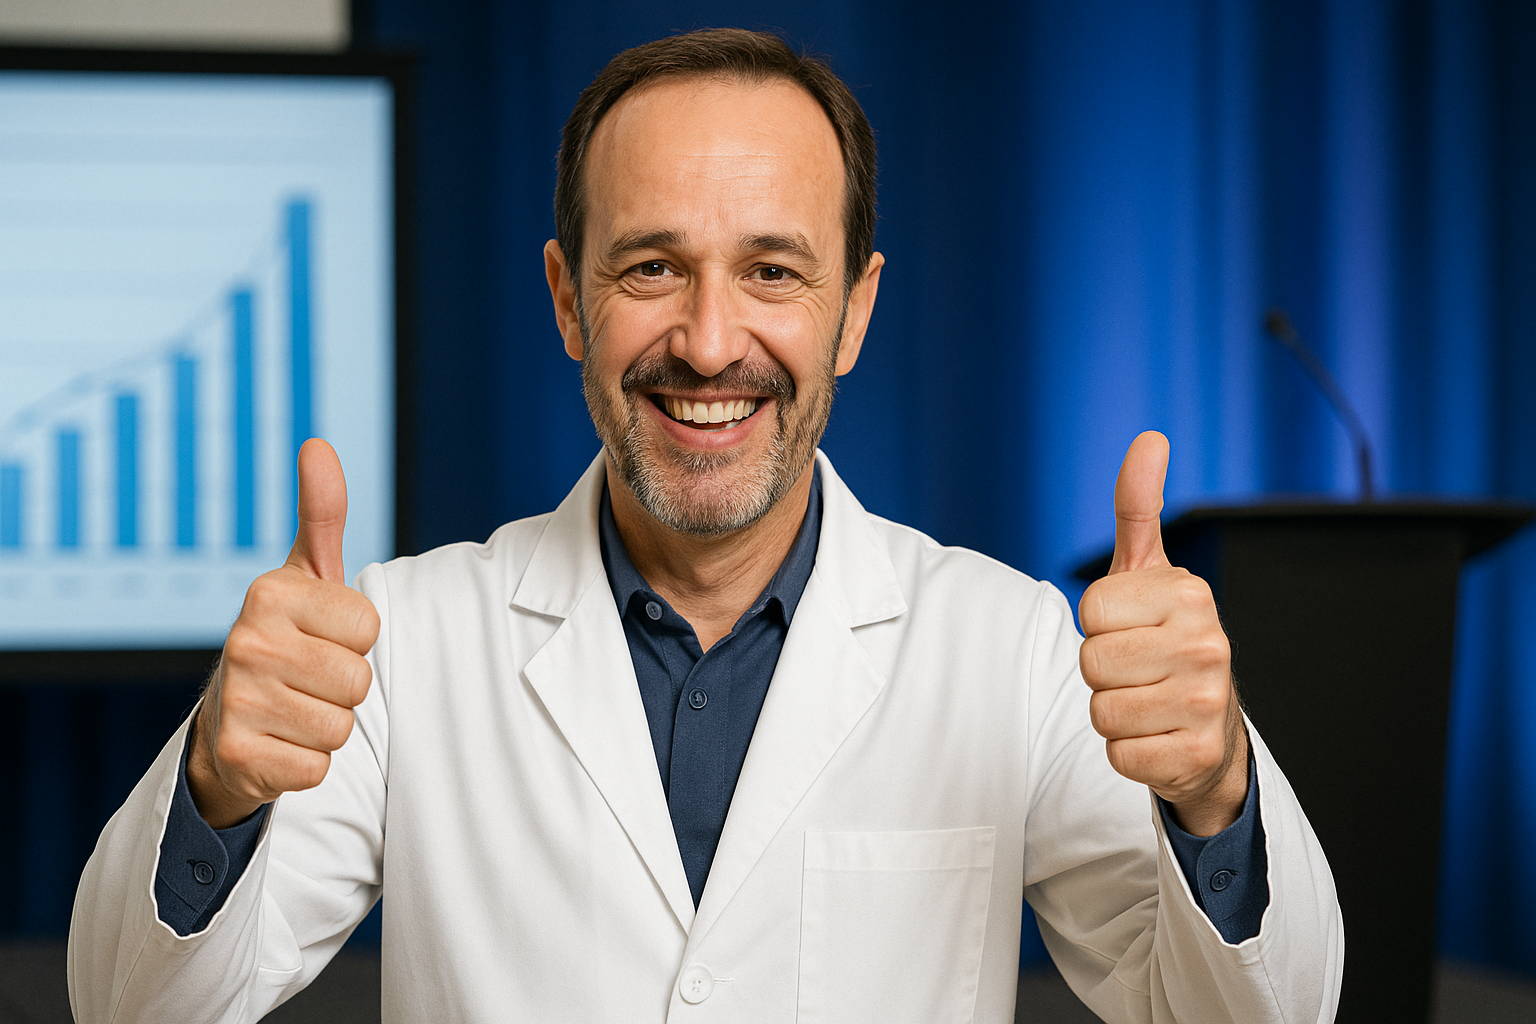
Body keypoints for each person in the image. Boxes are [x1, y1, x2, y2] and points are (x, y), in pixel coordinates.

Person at [69, 28, 1341, 1023]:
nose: (711, 340)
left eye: (773, 270)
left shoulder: (1009, 648)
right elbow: (131, 1006)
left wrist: (1214, 792)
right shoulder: (395, 643)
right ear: (568, 299)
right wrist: (219, 786)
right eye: (651, 267)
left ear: (854, 310)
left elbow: (1258, 1013)